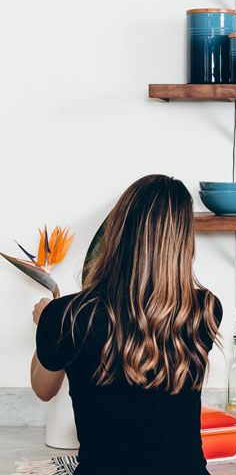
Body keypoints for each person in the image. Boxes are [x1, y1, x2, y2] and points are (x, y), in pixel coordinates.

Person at [30, 174, 222, 475]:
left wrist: (45, 324)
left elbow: (43, 389)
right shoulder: (202, 311)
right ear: (184, 241)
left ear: (117, 230)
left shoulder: (65, 315)